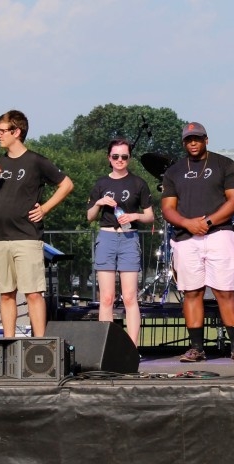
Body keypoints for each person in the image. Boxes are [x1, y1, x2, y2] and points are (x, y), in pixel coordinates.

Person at [0, 110, 74, 338]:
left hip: (27, 236)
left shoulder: (35, 161)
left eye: (2, 130)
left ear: (16, 131)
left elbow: (67, 184)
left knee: (32, 293)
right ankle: (9, 345)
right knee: (6, 294)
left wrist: (45, 208)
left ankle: (39, 344)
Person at [160, 122, 234, 362]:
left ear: (206, 140)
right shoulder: (174, 171)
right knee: (192, 292)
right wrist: (187, 223)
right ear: (184, 142)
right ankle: (196, 348)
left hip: (219, 233)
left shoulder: (224, 164)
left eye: (197, 138)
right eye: (189, 139)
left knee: (225, 291)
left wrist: (207, 222)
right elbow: (167, 208)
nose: (193, 143)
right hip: (186, 237)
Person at [86, 138, 154, 345]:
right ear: (109, 158)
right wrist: (98, 203)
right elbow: (89, 216)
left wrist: (134, 216)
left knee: (130, 297)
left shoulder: (138, 183)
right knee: (106, 298)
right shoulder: (101, 183)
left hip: (128, 238)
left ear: (129, 158)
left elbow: (150, 216)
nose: (120, 160)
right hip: (106, 237)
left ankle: (132, 348)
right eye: (115, 156)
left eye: (124, 156)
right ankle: (106, 348)